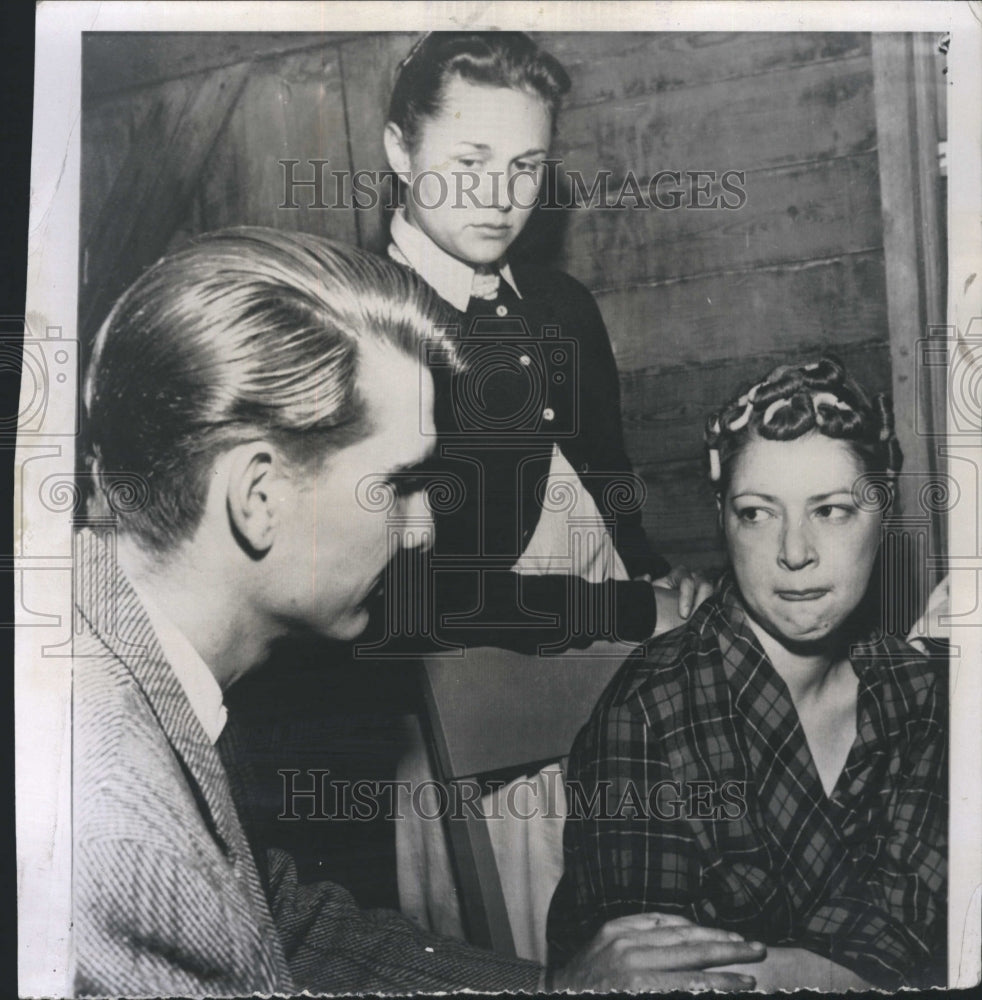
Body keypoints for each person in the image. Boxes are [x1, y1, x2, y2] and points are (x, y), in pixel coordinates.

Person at [73, 227, 765, 995]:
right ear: (257, 499)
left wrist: (554, 989)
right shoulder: (118, 828)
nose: (425, 527)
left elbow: (284, 928)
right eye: (399, 484)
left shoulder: (131, 657)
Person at [546, 357, 948, 990]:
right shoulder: (648, 714)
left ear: (884, 512)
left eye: (832, 510)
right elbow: (650, 977)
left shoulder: (920, 694)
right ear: (722, 516)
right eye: (758, 512)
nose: (794, 552)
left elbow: (905, 930)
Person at [378, 30, 711, 655]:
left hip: (625, 644)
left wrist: (658, 576)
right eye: (470, 163)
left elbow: (608, 498)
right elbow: (406, 600)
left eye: (525, 166)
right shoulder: (369, 329)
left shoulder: (565, 307)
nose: (501, 197)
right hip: (488, 700)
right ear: (401, 150)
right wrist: (634, 608)